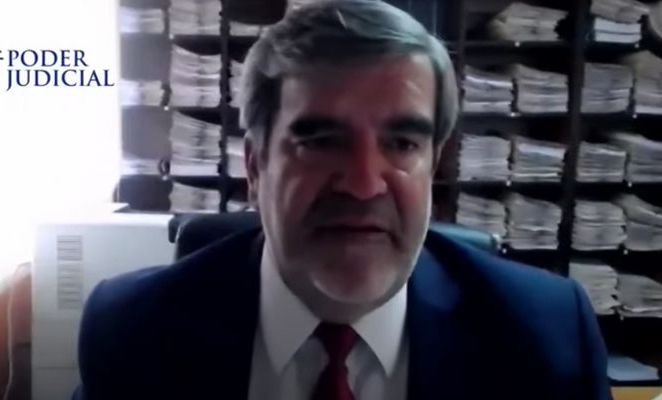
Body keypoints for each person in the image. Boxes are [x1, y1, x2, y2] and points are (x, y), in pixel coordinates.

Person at [75, 1, 610, 399]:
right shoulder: (134, 330)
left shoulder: (547, 338)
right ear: (256, 167)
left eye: (402, 143)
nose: (363, 184)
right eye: (320, 141)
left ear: (433, 166)